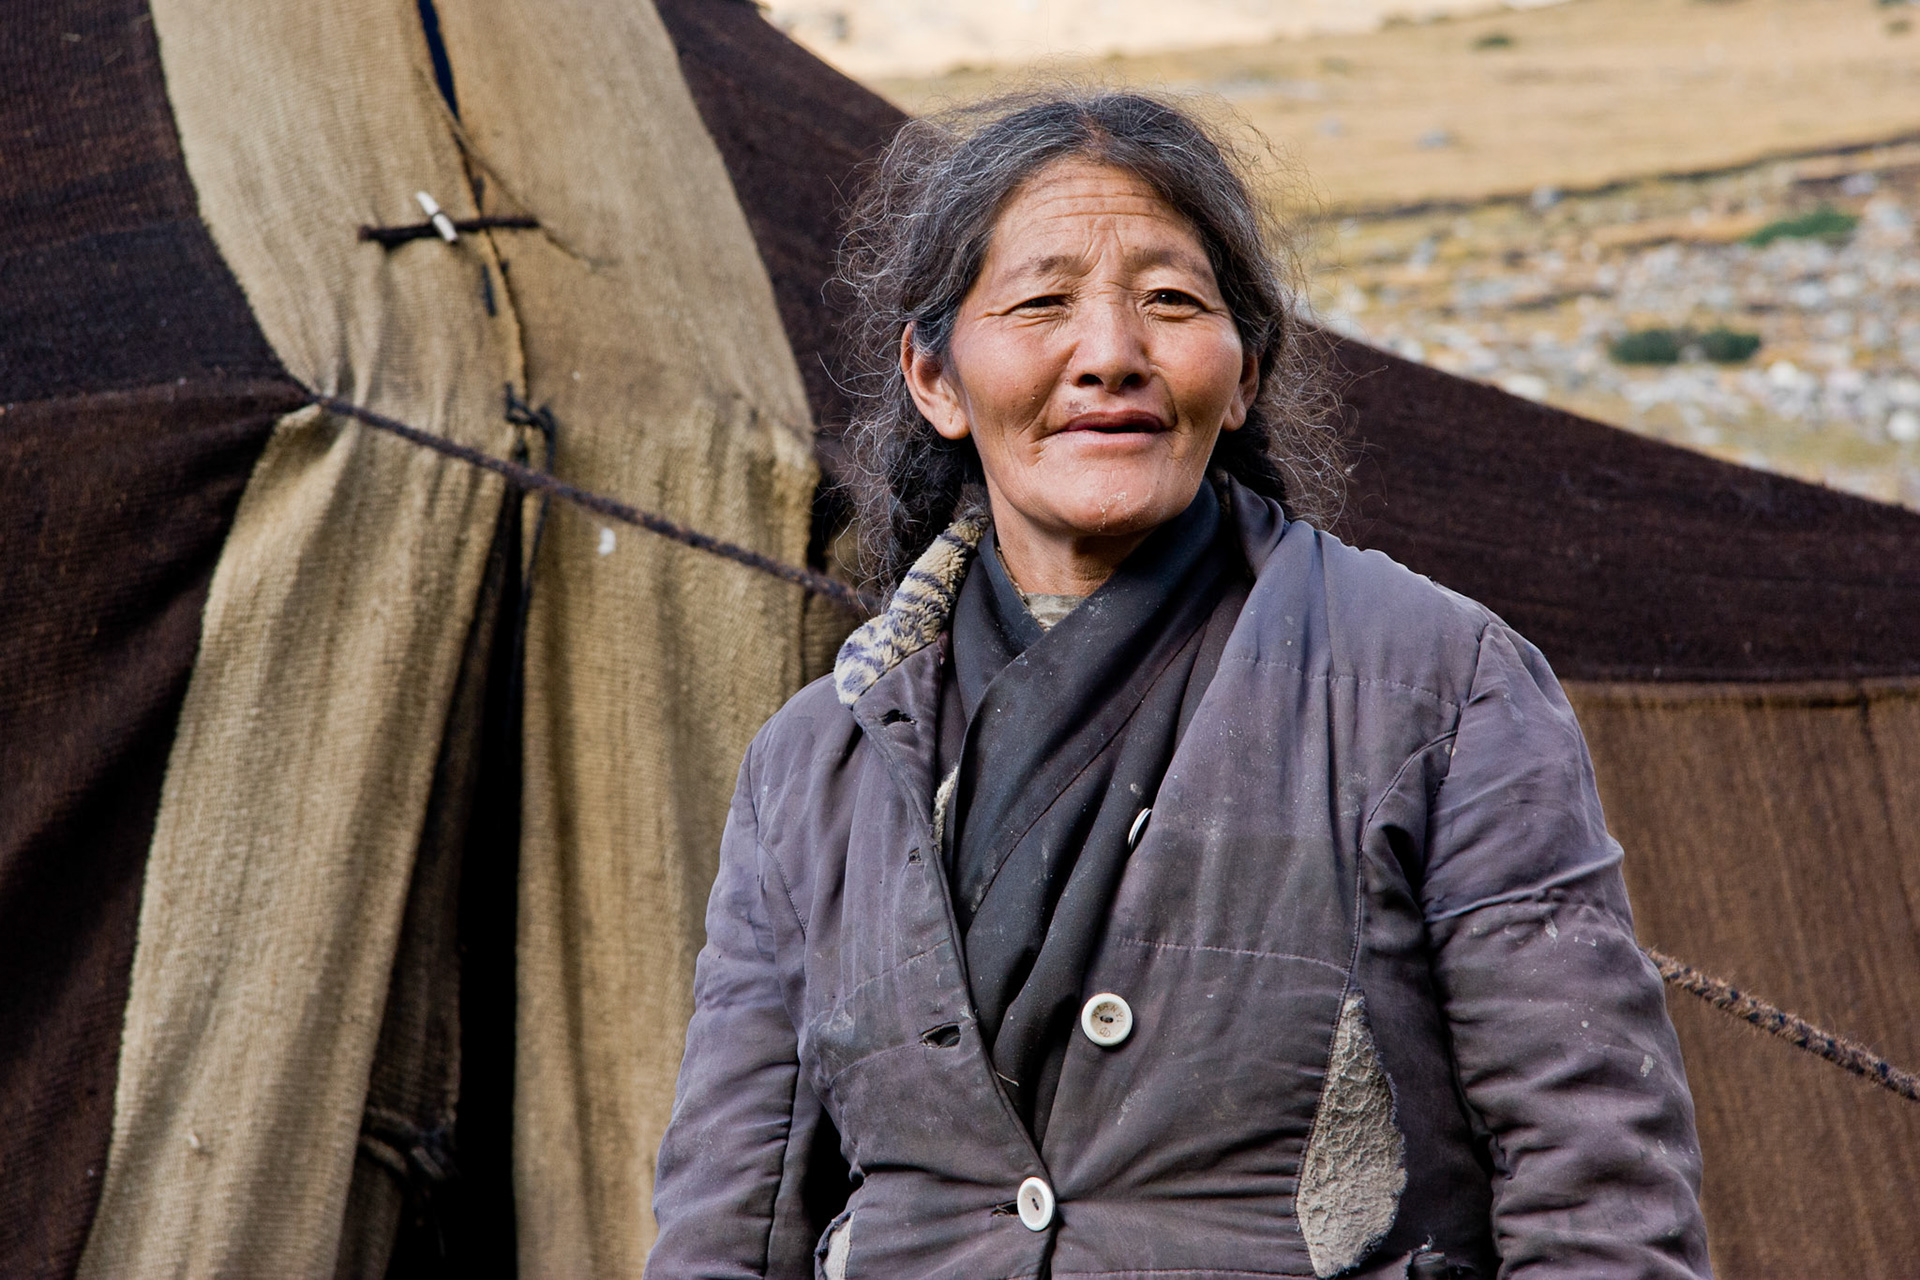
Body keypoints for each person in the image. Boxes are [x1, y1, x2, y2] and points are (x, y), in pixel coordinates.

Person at [646, 92, 1711, 1280]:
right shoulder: (815, 761)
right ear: (935, 377)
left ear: (1245, 370)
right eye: (1042, 301)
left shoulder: (1439, 688)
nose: (1109, 354)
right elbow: (726, 1224)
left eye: (1169, 302)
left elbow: (1599, 1191)